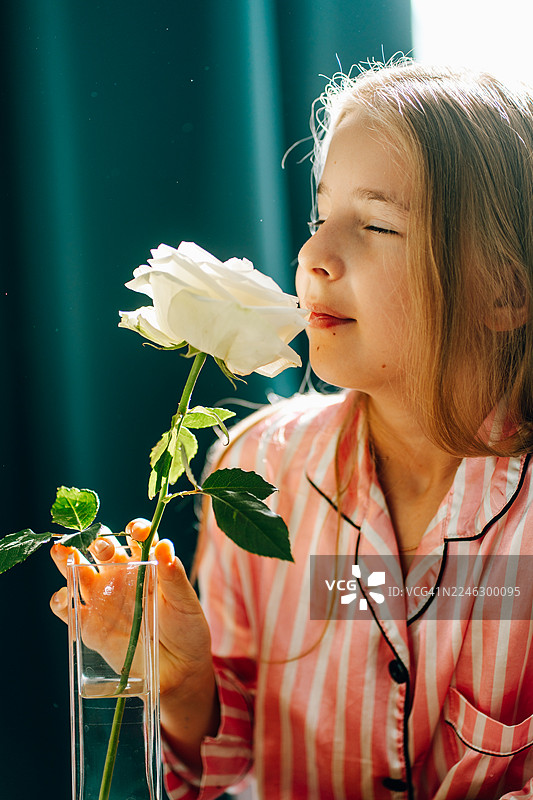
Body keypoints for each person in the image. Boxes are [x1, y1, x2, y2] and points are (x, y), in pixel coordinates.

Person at [50, 60, 533, 799]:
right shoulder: (256, 469)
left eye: (375, 224)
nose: (311, 256)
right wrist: (183, 681)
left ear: (501, 290)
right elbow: (226, 764)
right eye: (317, 218)